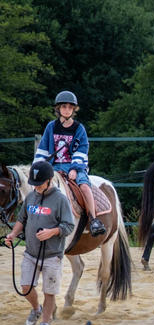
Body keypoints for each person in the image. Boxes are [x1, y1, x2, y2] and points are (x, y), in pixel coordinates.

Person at [4, 162, 75, 325]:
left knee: (49, 291)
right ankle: (36, 309)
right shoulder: (31, 197)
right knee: (25, 287)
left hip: (52, 255)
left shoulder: (60, 200)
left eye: (39, 183)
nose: (36, 187)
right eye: (34, 183)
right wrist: (13, 234)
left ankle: (45, 323)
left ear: (49, 181)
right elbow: (22, 219)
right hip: (31, 252)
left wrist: (52, 232)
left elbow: (68, 226)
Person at [33, 91, 104, 237]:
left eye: (70, 107)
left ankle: (94, 220)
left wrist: (75, 168)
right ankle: (30, 220)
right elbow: (43, 148)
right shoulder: (51, 127)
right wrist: (38, 168)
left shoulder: (79, 129)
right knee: (36, 187)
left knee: (84, 186)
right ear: (58, 109)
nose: (67, 109)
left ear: (74, 110)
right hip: (53, 166)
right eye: (64, 106)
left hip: (73, 165)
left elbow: (82, 149)